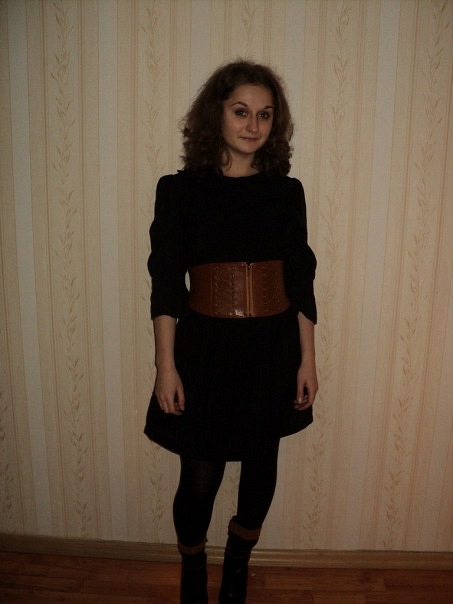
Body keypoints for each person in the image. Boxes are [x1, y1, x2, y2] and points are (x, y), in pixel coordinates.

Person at [144, 60, 318, 604]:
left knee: (261, 470)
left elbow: (301, 281)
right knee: (199, 479)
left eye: (265, 115)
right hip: (205, 350)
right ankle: (193, 567)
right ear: (215, 114)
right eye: (241, 111)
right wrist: (165, 366)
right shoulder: (178, 191)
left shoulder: (286, 193)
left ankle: (238, 566)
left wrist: (308, 361)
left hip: (272, 348)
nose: (253, 125)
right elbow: (166, 282)